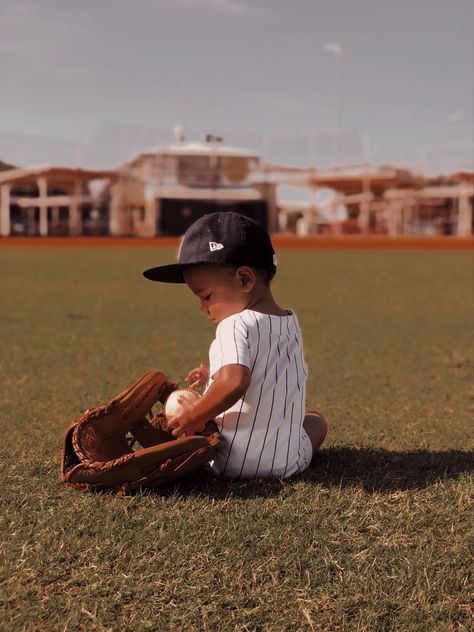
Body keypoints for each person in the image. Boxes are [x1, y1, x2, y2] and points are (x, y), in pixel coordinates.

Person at [143, 211, 327, 478]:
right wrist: (213, 375)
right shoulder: (290, 321)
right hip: (288, 462)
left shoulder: (234, 324)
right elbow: (268, 373)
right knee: (316, 421)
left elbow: (234, 382)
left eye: (206, 296)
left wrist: (195, 416)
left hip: (228, 463)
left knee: (198, 414)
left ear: (245, 280)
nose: (202, 307)